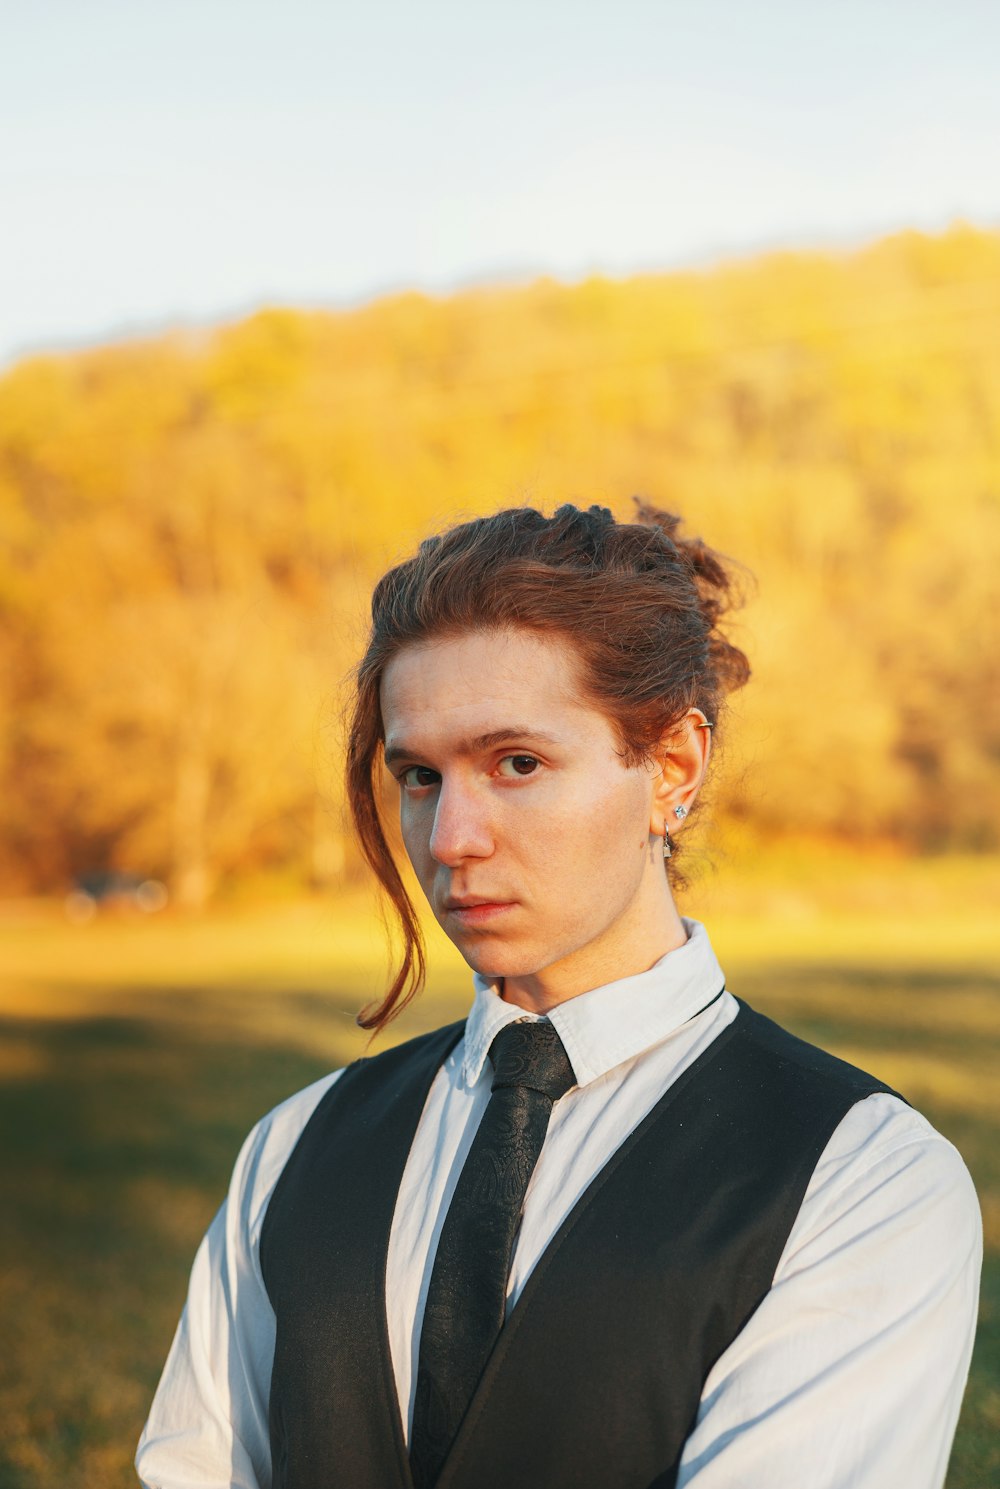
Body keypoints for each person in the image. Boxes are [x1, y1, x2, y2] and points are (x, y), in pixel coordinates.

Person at [136, 502, 981, 1489]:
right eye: (417, 775)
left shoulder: (860, 1176)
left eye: (517, 763)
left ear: (672, 768)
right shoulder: (294, 1147)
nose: (451, 837)